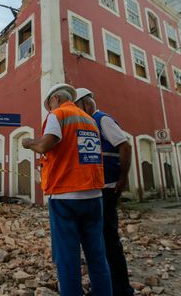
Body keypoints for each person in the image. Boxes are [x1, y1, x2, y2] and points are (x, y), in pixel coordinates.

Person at [22, 83, 112, 296]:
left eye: (50, 104)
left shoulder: (58, 114)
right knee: (97, 256)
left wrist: (28, 143)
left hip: (66, 196)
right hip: (94, 195)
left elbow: (46, 145)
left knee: (67, 258)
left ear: (56, 99)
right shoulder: (89, 119)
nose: (50, 108)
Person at [75, 88, 134, 296]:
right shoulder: (87, 124)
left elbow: (125, 146)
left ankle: (122, 289)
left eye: (77, 106)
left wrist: (123, 178)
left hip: (109, 189)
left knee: (109, 240)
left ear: (87, 104)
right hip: (97, 190)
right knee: (97, 240)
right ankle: (105, 287)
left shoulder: (102, 120)